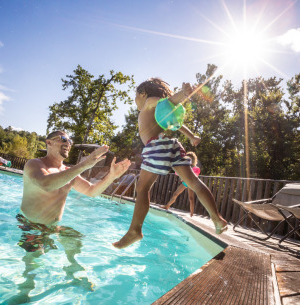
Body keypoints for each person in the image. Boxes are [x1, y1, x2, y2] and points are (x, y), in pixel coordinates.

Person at [113, 78, 227, 249]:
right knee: (194, 182)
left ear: (143, 94)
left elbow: (169, 101)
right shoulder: (159, 112)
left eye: (136, 96)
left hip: (155, 145)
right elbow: (178, 124)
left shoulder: (149, 103)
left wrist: (182, 94)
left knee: (143, 188)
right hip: (172, 144)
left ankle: (134, 231)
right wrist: (191, 137)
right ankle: (217, 218)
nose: (135, 100)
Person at [20, 130, 131, 225]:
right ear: (49, 142)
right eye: (63, 139)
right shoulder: (34, 164)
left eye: (70, 141)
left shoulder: (68, 173)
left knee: (76, 245)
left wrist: (111, 176)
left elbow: (91, 191)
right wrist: (85, 165)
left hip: (52, 228)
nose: (68, 143)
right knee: (38, 251)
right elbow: (46, 184)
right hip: (31, 226)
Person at [161, 151, 200, 217]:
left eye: (190, 159)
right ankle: (167, 206)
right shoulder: (184, 167)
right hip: (185, 183)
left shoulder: (195, 168)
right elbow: (178, 173)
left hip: (191, 183)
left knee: (191, 198)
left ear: (193, 160)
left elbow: (194, 176)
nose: (189, 160)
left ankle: (192, 213)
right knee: (175, 194)